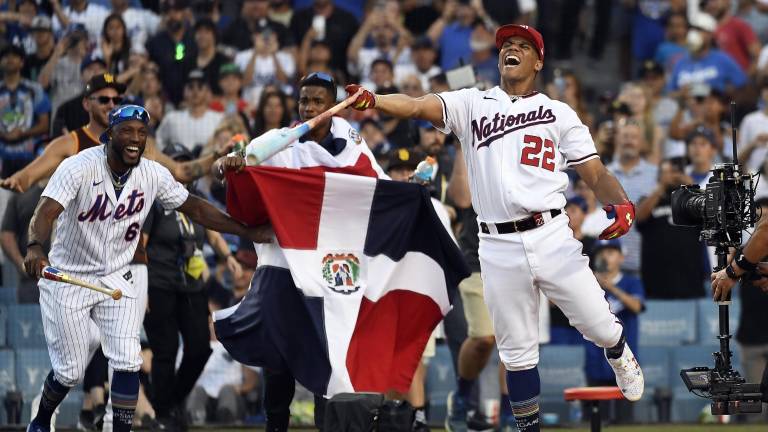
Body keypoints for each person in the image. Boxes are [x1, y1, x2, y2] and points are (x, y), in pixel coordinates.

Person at [345, 23, 644, 432]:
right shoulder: (472, 103)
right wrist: (375, 98)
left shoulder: (559, 112)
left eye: (523, 45)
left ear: (538, 61)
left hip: (551, 234)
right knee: (517, 353)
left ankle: (618, 350)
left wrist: (620, 202)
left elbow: (594, 171)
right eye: (507, 45)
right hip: (496, 244)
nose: (512, 49)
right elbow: (416, 106)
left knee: (599, 324)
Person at [22, 104, 272, 432]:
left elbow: (195, 208)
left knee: (128, 360)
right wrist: (35, 247)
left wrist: (244, 230)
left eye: (142, 133)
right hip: (71, 275)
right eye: (127, 131)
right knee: (70, 370)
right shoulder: (77, 167)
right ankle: (40, 421)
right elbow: (45, 212)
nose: (135, 139)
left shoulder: (152, 173)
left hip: (120, 275)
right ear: (108, 135)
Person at [213, 71, 387, 431]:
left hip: (331, 265)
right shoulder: (278, 141)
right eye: (304, 100)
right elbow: (241, 163)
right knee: (279, 350)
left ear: (333, 106)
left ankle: (329, 425)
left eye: (317, 101)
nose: (308, 108)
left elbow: (378, 189)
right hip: (285, 259)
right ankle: (276, 425)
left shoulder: (353, 144)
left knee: (330, 348)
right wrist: (229, 166)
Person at [142, 143, 243, 430]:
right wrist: (140, 285)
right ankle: (163, 414)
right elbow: (141, 244)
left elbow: (212, 232)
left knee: (200, 348)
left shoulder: (195, 197)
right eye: (177, 163)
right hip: (159, 284)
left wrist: (228, 257)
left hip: (192, 285)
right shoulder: (154, 199)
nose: (182, 170)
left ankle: (169, 401)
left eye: (186, 163)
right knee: (166, 350)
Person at [0, 73, 230, 193]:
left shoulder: (140, 144)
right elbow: (27, 177)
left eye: (117, 99)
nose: (111, 104)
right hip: (79, 246)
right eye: (103, 99)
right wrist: (14, 181)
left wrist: (217, 155)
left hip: (125, 248)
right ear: (86, 104)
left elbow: (180, 170)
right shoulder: (69, 144)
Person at [584, 239, 644, 423]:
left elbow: (636, 306)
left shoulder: (631, 282)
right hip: (595, 355)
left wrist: (611, 287)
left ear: (621, 257)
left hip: (625, 356)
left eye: (610, 252)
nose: (605, 257)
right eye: (601, 253)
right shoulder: (588, 283)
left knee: (624, 420)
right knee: (595, 419)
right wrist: (595, 283)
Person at [635, 157, 707, 299]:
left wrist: (692, 186)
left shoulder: (692, 200)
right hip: (656, 279)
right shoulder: (649, 199)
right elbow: (639, 217)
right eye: (666, 172)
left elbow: (712, 212)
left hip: (690, 278)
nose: (671, 175)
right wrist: (660, 188)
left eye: (675, 172)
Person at [606, 122, 659, 275]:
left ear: (642, 143)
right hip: (610, 265)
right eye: (625, 136)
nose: (629, 141)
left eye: (634, 137)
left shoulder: (655, 174)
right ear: (617, 140)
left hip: (645, 265)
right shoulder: (604, 175)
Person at [0, 44, 50, 179]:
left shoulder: (34, 90)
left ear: (22, 62)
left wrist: (22, 133)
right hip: (2, 156)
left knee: (26, 198)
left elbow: (44, 124)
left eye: (14, 56)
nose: (9, 59)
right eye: (5, 56)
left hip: (29, 154)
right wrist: (4, 135)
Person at [155, 69, 225, 153]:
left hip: (208, 164)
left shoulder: (219, 119)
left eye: (200, 87)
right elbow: (158, 140)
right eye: (191, 87)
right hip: (177, 163)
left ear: (207, 92)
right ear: (184, 91)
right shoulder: (172, 118)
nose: (195, 91)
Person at [705, 0, 761, 74]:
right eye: (708, 2)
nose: (711, 5)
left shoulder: (739, 25)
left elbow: (758, 56)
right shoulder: (705, 30)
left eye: (715, 1)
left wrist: (745, 80)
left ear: (728, 2)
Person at [738, 79, 768, 173]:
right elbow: (739, 159)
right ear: (761, 93)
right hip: (756, 179)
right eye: (766, 88)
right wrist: (753, 145)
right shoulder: (750, 120)